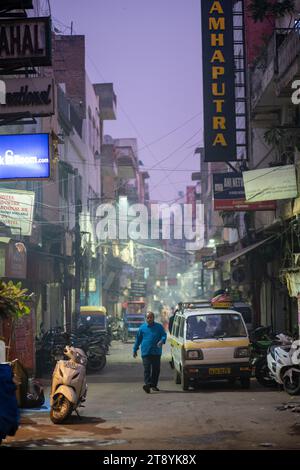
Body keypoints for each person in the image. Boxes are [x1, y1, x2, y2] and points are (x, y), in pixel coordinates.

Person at [133, 311, 167, 393]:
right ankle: (148, 385)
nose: (149, 319)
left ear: (153, 318)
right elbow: (138, 339)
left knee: (156, 369)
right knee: (147, 369)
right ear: (146, 318)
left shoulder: (159, 327)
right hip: (146, 352)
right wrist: (135, 349)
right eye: (147, 317)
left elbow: (164, 335)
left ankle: (154, 385)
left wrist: (162, 341)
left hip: (156, 352)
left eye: (151, 317)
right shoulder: (142, 328)